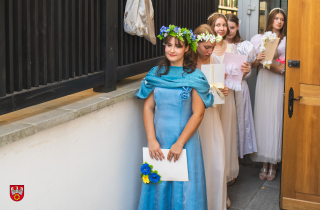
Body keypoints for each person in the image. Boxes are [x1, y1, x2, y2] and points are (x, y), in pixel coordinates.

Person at [136, 25, 213, 210]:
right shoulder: (156, 73)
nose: (172, 49)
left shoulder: (195, 76)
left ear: (187, 48)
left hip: (185, 141)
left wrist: (179, 143)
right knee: (158, 186)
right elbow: (148, 108)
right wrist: (152, 139)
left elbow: (198, 113)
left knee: (184, 189)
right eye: (168, 45)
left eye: (177, 46)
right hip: (159, 141)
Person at [207, 12, 251, 208]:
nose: (222, 28)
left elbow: (239, 76)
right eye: (217, 25)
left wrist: (246, 72)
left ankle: (223, 181)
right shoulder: (205, 48)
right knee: (212, 138)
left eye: (224, 25)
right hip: (212, 101)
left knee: (226, 137)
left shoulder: (233, 48)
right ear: (211, 26)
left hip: (229, 98)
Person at [193, 24, 228, 210]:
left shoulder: (215, 61)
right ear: (196, 43)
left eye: (212, 47)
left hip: (212, 116)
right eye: (206, 47)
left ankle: (215, 203)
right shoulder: (187, 63)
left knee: (215, 161)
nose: (210, 51)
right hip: (193, 117)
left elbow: (219, 89)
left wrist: (224, 90)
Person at [250, 8, 287, 181]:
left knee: (275, 117)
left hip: (277, 82)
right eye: (276, 18)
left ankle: (274, 164)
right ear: (270, 20)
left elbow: (283, 68)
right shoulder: (259, 38)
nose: (279, 22)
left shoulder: (287, 40)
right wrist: (259, 59)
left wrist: (268, 63)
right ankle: (264, 162)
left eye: (282, 19)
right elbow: (254, 64)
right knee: (263, 118)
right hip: (264, 81)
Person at [225, 14, 257, 159]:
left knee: (239, 122)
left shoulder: (244, 46)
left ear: (237, 27)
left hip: (239, 89)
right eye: (227, 27)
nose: (229, 31)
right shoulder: (216, 46)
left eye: (232, 27)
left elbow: (247, 70)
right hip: (224, 89)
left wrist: (246, 71)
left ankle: (236, 159)